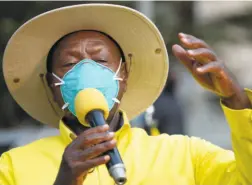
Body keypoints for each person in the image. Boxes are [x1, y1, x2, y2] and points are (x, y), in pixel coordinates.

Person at [1, 4, 252, 185]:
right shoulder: (12, 167)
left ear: (124, 76)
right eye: (69, 65)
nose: (87, 72)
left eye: (100, 60)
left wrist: (237, 100)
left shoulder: (185, 154)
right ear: (51, 86)